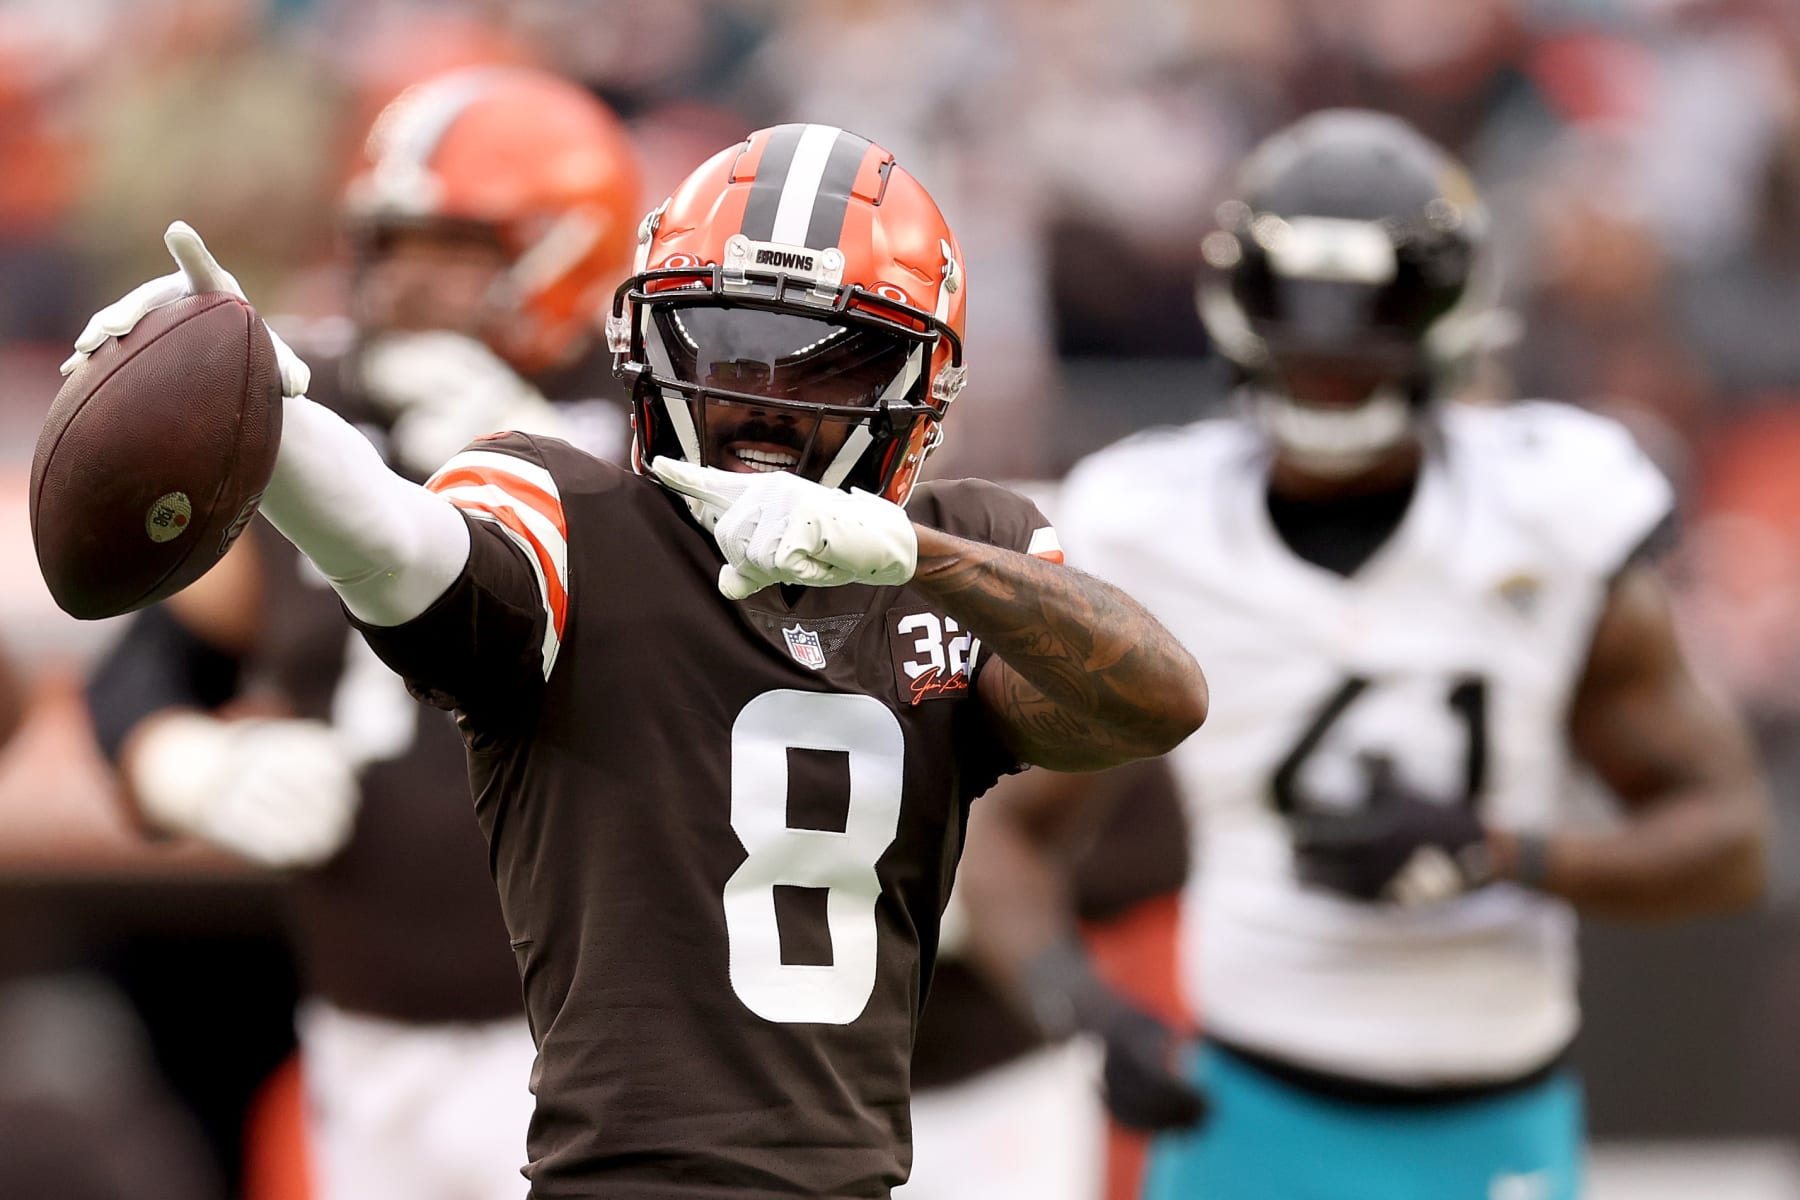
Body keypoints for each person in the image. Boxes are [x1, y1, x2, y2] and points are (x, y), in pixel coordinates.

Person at [61, 123, 1209, 1198]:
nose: (754, 392)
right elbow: (403, 550)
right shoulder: (570, 509)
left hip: (873, 1164)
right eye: (720, 336)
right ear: (645, 335)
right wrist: (279, 425)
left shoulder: (971, 549)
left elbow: (1156, 701)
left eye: (821, 363)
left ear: (916, 388)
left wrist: (919, 556)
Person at [1020, 110, 1770, 1200]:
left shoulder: (1553, 509)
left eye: (1372, 305)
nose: (1330, 346)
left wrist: (1500, 855)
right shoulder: (1148, 522)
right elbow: (1010, 833)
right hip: (1246, 1105)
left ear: (1452, 310)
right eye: (1302, 303)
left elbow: (1730, 842)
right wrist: (1077, 1006)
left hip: (1494, 1110)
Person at [83, 65, 642, 1200]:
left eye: (447, 246)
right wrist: (186, 765)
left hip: (602, 1041)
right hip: (362, 1026)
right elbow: (147, 667)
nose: (399, 281)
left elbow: (719, 678)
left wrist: (554, 481)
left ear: (563, 248)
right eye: (386, 243)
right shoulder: (302, 402)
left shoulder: (654, 421)